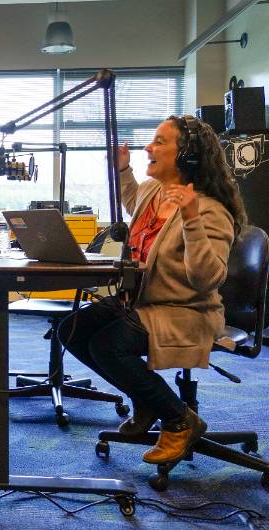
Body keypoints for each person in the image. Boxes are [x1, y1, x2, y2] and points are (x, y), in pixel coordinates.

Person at [58, 115, 248, 464]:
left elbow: (207, 278)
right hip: (144, 302)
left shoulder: (210, 211)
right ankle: (146, 398)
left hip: (186, 311)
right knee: (70, 329)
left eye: (160, 141)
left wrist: (190, 219)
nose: (149, 146)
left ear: (187, 155)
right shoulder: (154, 191)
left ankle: (179, 419)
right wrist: (122, 170)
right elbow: (133, 203)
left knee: (108, 345)